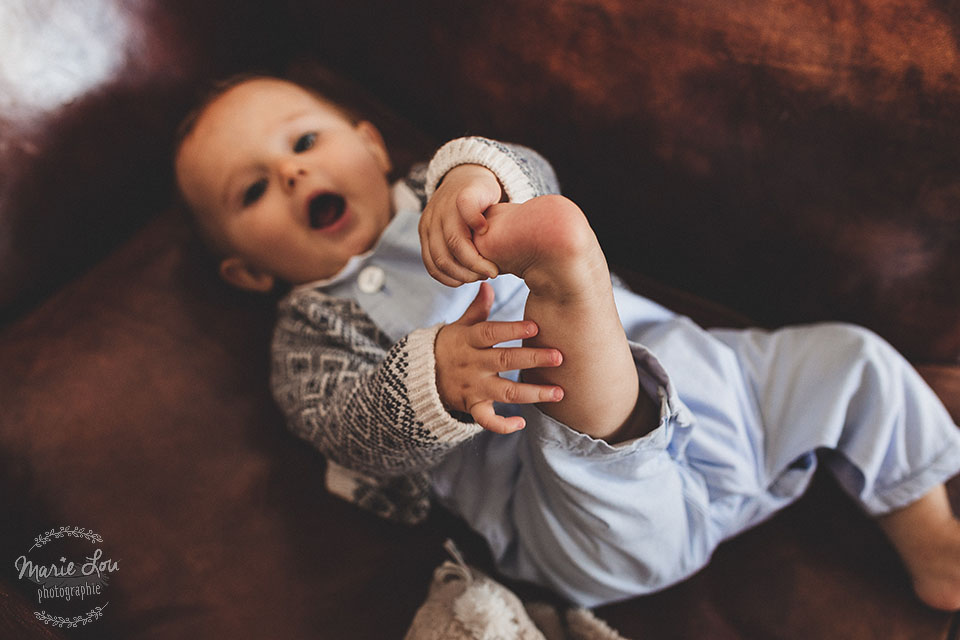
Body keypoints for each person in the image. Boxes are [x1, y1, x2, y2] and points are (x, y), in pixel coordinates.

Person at [174, 75, 960, 611]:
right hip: (577, 507)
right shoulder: (308, 334)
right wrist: (436, 381)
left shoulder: (448, 191)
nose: (288, 172)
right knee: (570, 406)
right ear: (247, 274)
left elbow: (528, 171)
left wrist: (478, 176)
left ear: (372, 148)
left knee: (850, 362)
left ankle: (931, 543)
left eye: (304, 140)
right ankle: (564, 287)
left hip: (720, 392)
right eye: (250, 190)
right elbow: (346, 431)